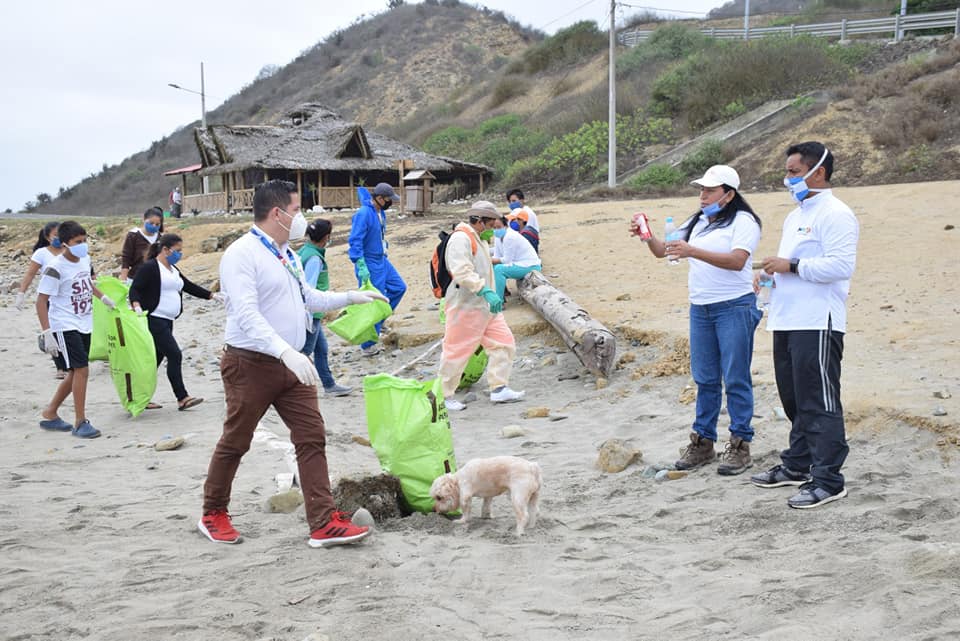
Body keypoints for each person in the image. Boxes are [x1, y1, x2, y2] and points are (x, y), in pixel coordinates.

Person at [198, 179, 388, 548]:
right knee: (236, 440)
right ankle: (213, 512)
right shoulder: (241, 254)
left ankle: (323, 522)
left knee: (311, 436)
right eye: (297, 210)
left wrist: (351, 297)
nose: (302, 217)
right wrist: (284, 351)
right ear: (277, 213)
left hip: (293, 364)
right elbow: (246, 314)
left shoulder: (287, 253)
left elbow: (308, 297)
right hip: (251, 363)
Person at [634, 165, 763, 475]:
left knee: (735, 377)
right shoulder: (698, 221)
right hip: (701, 308)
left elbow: (738, 261)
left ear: (729, 194)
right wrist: (647, 236)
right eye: (701, 190)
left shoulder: (744, 221)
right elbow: (665, 251)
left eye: (710, 190)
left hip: (734, 306)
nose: (703, 195)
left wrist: (693, 250)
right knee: (705, 377)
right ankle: (703, 441)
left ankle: (740, 444)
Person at [750, 142, 859, 509]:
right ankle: (798, 464)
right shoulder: (795, 215)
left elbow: (840, 266)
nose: (787, 179)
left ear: (819, 172)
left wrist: (792, 266)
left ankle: (828, 480)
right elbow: (787, 264)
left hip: (818, 320)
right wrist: (769, 277)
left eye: (794, 172)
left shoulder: (836, 213)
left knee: (819, 400)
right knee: (793, 397)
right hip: (786, 318)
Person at [439, 201, 525, 412]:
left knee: (504, 343)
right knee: (456, 351)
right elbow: (461, 272)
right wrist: (484, 289)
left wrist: (490, 294)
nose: (493, 230)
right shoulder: (461, 239)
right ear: (479, 221)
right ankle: (444, 395)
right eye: (491, 225)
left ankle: (499, 388)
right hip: (465, 305)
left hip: (486, 307)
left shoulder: (479, 239)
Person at [36, 221, 116, 439]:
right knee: (82, 370)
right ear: (65, 243)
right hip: (64, 324)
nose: (82, 245)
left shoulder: (85, 260)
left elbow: (87, 282)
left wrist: (103, 297)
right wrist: (47, 332)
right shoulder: (55, 268)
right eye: (77, 242)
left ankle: (50, 413)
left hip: (84, 322)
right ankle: (80, 422)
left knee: (74, 372)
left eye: (84, 240)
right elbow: (41, 301)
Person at [129, 233, 219, 411]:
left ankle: (137, 397)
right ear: (165, 250)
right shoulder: (150, 267)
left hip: (168, 320)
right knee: (174, 354)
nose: (180, 254)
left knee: (154, 359)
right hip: (154, 318)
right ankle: (182, 397)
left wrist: (211, 295)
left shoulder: (173, 269)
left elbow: (188, 286)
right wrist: (136, 304)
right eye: (177, 250)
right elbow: (135, 289)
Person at [347, 182, 407, 356]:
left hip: (382, 259)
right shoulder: (364, 213)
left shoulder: (380, 212)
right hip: (369, 262)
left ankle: (379, 321)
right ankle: (368, 345)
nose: (391, 203)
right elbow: (355, 240)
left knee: (399, 287)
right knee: (373, 301)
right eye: (388, 199)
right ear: (379, 198)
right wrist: (360, 263)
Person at [298, 218, 352, 396]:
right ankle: (288, 388)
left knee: (321, 349)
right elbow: (309, 290)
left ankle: (329, 385)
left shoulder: (304, 251)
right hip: (312, 313)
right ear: (325, 237)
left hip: (313, 313)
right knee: (304, 352)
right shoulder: (314, 258)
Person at [16, 222, 66, 378]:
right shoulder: (42, 253)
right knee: (54, 331)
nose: (59, 238)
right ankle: (60, 367)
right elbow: (30, 274)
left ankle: (71, 364)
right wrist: (21, 293)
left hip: (69, 299)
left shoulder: (70, 250)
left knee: (69, 331)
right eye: (55, 235)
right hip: (50, 298)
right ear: (47, 237)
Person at [490, 215, 541, 302]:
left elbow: (507, 260)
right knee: (493, 267)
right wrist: (491, 260)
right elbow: (496, 255)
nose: (496, 230)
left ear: (505, 226)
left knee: (499, 269)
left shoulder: (510, 236)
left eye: (499, 227)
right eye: (494, 228)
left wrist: (489, 260)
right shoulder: (498, 238)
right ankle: (503, 292)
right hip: (518, 264)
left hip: (530, 265)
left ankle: (499, 301)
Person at [120, 208, 163, 283]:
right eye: (151, 223)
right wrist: (123, 279)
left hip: (153, 279)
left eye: (157, 224)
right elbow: (126, 258)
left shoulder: (160, 238)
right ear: (144, 219)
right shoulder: (133, 235)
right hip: (134, 278)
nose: (154, 226)